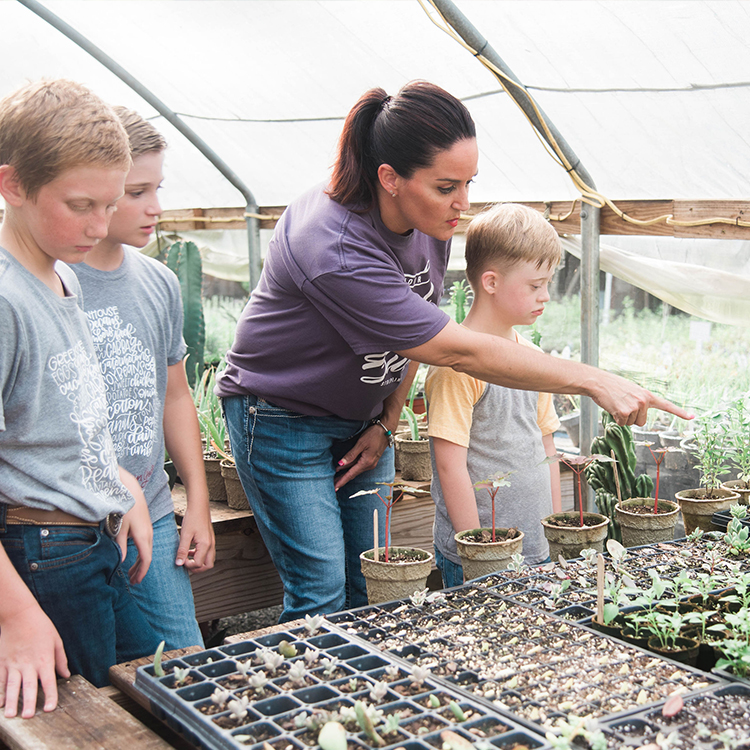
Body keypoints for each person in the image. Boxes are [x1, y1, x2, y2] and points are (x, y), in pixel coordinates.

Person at [216, 80, 689, 623]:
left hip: (361, 421)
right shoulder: (333, 244)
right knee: (321, 592)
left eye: (469, 183)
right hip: (281, 418)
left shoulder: (429, 219)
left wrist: (387, 422)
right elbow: (455, 349)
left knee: (370, 580)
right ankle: (311, 701)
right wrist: (590, 378)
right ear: (389, 179)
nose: (462, 204)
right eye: (447, 186)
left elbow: (419, 325)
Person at [0, 79, 161, 719]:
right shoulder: (6, 300)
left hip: (91, 538)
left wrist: (116, 482)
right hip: (42, 558)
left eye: (110, 204)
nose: (99, 227)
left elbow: (61, 415)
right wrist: (17, 617)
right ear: (12, 185)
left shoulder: (60, 271)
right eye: (80, 205)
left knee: (109, 702)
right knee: (71, 722)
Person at [71, 107, 215, 649]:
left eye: (157, 188)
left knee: (184, 664)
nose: (155, 208)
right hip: (73, 527)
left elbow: (175, 397)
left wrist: (195, 502)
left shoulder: (158, 283)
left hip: (153, 512)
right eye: (136, 192)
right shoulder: (52, 281)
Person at [426, 203, 564, 587]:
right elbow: (450, 466)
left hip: (536, 548)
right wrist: (478, 553)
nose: (546, 296)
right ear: (491, 282)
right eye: (536, 285)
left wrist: (553, 530)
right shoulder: (457, 367)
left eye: (548, 284)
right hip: (480, 556)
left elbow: (547, 449)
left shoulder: (535, 360)